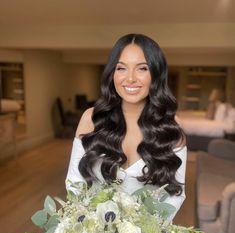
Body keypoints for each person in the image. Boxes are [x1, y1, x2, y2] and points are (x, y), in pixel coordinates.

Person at [66, 33, 187, 221]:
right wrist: (91, 232)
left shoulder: (171, 127)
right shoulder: (91, 119)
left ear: (156, 73)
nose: (130, 78)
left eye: (142, 69)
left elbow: (175, 194)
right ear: (112, 73)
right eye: (121, 68)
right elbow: (75, 183)